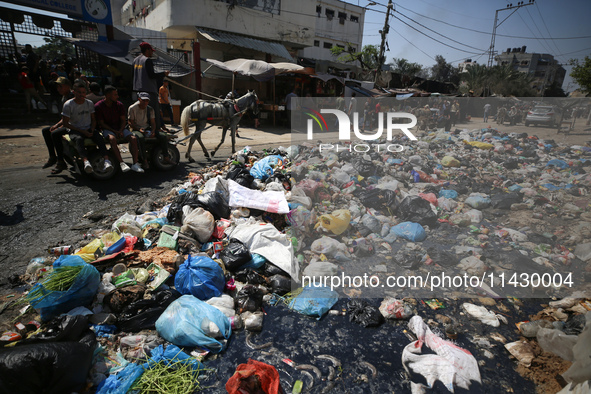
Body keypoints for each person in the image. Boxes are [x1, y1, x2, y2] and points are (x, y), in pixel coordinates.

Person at [62, 82, 113, 174]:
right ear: (74, 92)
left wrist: (92, 129)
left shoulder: (89, 103)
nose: (82, 95)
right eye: (79, 92)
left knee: (99, 137)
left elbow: (93, 119)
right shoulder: (68, 104)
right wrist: (82, 131)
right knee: (79, 139)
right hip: (75, 129)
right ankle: (86, 162)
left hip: (88, 127)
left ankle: (106, 160)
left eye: (83, 92)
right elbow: (65, 123)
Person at [95, 86, 143, 173]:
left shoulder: (119, 105)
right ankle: (121, 163)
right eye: (115, 95)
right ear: (108, 95)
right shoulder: (99, 106)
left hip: (120, 128)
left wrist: (120, 130)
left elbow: (123, 120)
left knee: (133, 139)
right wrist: (115, 132)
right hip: (107, 129)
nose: (117, 96)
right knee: (112, 139)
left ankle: (135, 163)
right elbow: (102, 123)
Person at [128, 92, 174, 168]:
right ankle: (144, 161)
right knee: (141, 138)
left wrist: (153, 131)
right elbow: (130, 123)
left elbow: (153, 122)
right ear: (139, 99)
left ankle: (166, 157)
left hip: (146, 128)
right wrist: (139, 129)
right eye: (144, 100)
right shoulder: (132, 108)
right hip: (136, 128)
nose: (145, 102)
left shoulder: (150, 109)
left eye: (147, 101)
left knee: (163, 136)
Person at [133, 42, 168, 133]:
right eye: (151, 51)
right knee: (154, 110)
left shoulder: (135, 60)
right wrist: (163, 74)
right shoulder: (147, 60)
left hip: (138, 89)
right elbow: (151, 75)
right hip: (148, 90)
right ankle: (156, 129)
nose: (152, 53)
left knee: (142, 111)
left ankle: (144, 127)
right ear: (147, 50)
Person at [42, 77, 74, 172]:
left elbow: (71, 117)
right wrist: (57, 125)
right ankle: (52, 156)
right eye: (58, 87)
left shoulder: (71, 97)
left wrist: (58, 126)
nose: (58, 89)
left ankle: (61, 161)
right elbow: (64, 117)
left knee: (55, 133)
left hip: (74, 125)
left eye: (61, 86)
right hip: (66, 123)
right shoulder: (63, 97)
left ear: (68, 86)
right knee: (46, 131)